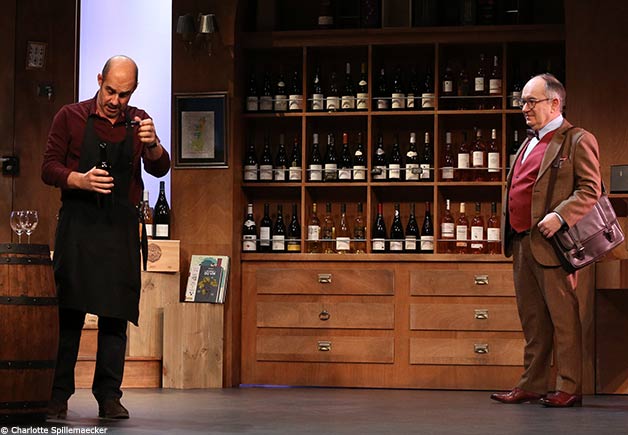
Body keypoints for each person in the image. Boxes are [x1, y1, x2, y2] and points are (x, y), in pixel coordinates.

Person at [41, 55, 170, 419]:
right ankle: (58, 395)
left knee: (116, 315)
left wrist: (154, 144)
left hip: (119, 228)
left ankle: (109, 396)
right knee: (69, 315)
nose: (115, 100)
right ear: (99, 80)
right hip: (78, 227)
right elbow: (48, 167)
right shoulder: (70, 116)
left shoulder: (139, 121)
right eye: (110, 90)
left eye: (124, 94)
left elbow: (160, 168)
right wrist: (78, 180)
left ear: (134, 90)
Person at [490, 73, 601, 408]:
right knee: (533, 321)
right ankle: (533, 384)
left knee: (563, 320)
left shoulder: (577, 140)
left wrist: (560, 215)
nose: (524, 108)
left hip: (553, 245)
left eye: (531, 101)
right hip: (522, 242)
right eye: (522, 102)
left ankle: (569, 387)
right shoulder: (528, 143)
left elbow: (590, 189)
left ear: (555, 103)